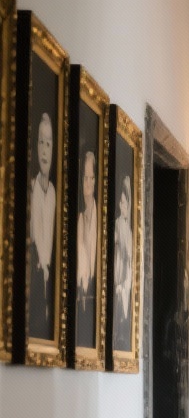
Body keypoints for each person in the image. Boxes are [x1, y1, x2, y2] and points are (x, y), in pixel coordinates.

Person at [28, 111, 56, 340]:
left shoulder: (54, 194)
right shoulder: (33, 190)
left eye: (49, 143)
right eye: (41, 142)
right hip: (38, 277)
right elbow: (35, 236)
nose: (45, 149)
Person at [76, 150, 97, 349]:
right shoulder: (79, 215)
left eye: (92, 177)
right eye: (85, 177)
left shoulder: (98, 217)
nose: (88, 183)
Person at [113, 174, 132, 351]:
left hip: (125, 283)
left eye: (124, 203)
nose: (121, 206)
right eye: (120, 203)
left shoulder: (129, 231)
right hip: (118, 281)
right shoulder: (118, 225)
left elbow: (130, 262)